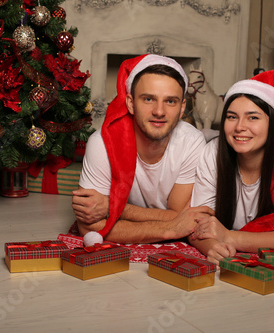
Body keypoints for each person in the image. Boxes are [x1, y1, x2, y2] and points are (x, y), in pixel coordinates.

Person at [72, 54, 213, 246]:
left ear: (182, 108)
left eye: (170, 101)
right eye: (148, 99)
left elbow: (180, 216)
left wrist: (111, 208)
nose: (159, 111)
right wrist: (170, 228)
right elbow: (89, 227)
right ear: (130, 103)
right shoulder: (103, 143)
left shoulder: (192, 142)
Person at [190, 70, 274, 264]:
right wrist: (213, 248)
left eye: (253, 117)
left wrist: (229, 237)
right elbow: (198, 222)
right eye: (232, 117)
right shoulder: (211, 152)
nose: (240, 127)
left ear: (273, 123)